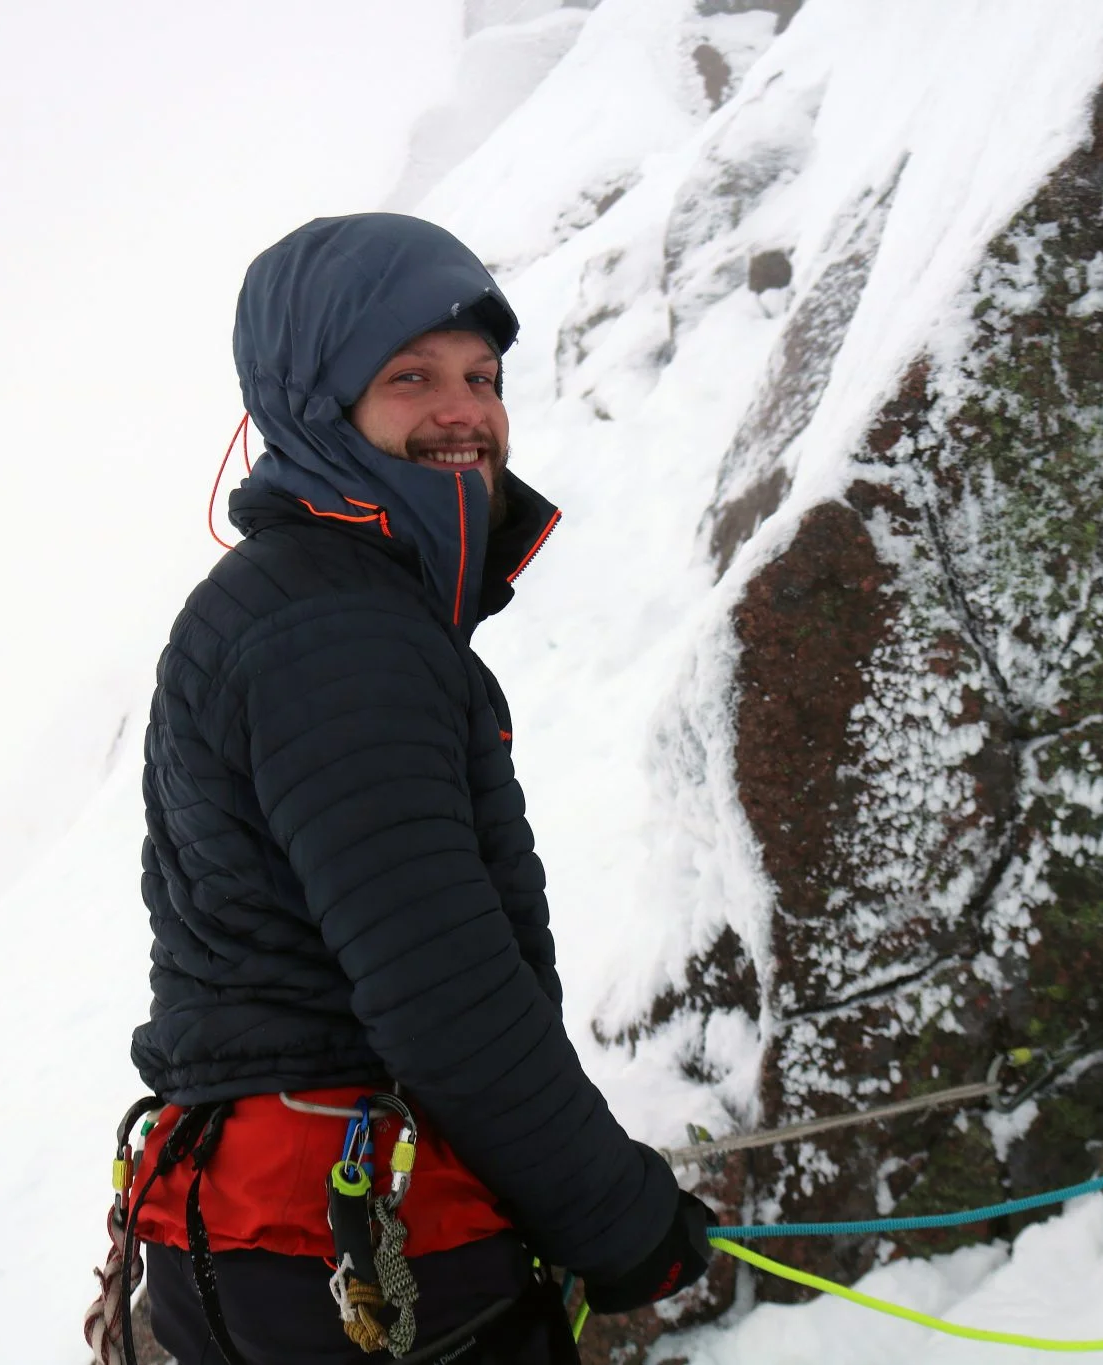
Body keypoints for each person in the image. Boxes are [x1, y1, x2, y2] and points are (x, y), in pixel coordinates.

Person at [122, 213, 711, 1365]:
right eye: (409, 376)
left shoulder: (302, 603)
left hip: (276, 1248)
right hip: (361, 1266)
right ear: (312, 402)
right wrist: (621, 1224)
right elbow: (441, 988)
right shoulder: (333, 632)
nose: (465, 410)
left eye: (481, 376)